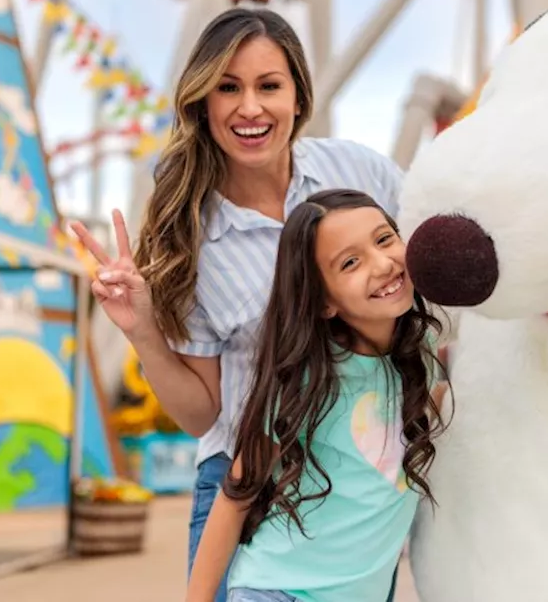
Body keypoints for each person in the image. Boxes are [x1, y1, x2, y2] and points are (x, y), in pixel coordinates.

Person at [70, 8, 405, 601]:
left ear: (299, 96)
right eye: (228, 87)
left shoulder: (358, 170)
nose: (250, 107)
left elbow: (423, 271)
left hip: (356, 470)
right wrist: (142, 330)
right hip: (248, 483)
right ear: (203, 103)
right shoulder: (190, 241)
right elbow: (203, 415)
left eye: (268, 86)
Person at [184, 189, 449, 602]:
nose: (382, 264)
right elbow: (236, 496)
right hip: (277, 591)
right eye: (350, 263)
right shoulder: (309, 381)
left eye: (384, 239)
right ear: (324, 301)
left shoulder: (424, 353)